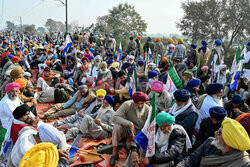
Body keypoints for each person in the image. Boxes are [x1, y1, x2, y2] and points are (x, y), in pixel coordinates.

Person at [176, 118, 250, 167]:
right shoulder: (210, 142)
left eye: (220, 133)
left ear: (229, 142)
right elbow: (191, 160)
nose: (215, 133)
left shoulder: (243, 163)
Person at [110, 92, 150, 166]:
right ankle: (114, 153)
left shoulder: (148, 110)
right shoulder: (127, 104)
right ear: (134, 102)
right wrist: (129, 123)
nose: (140, 106)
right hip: (127, 129)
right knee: (117, 127)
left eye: (142, 103)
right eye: (137, 103)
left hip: (138, 134)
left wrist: (133, 138)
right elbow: (115, 117)